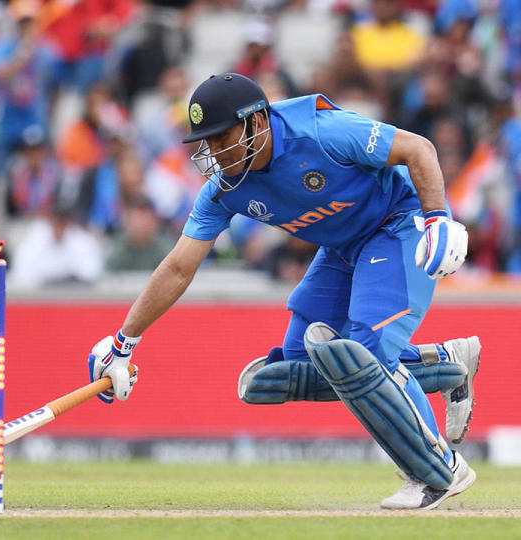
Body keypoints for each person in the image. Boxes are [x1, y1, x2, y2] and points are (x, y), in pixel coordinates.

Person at [86, 73, 481, 511]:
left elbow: (418, 148)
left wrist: (437, 218)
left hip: (395, 226)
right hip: (341, 248)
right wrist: (124, 341)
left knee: (364, 353)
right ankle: (447, 365)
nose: (214, 152)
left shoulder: (319, 131)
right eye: (207, 141)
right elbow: (179, 266)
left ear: (256, 122)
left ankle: (437, 470)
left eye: (222, 137)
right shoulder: (224, 189)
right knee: (298, 366)